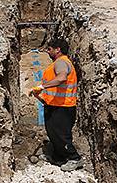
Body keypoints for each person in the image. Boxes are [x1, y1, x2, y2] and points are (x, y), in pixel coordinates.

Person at [30, 39, 83, 171]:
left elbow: (61, 78)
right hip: (55, 105)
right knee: (53, 133)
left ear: (57, 49)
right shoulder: (57, 63)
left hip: (63, 107)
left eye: (49, 49)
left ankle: (74, 158)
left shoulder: (61, 62)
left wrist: (41, 87)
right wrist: (42, 98)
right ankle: (58, 157)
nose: (48, 51)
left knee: (61, 135)